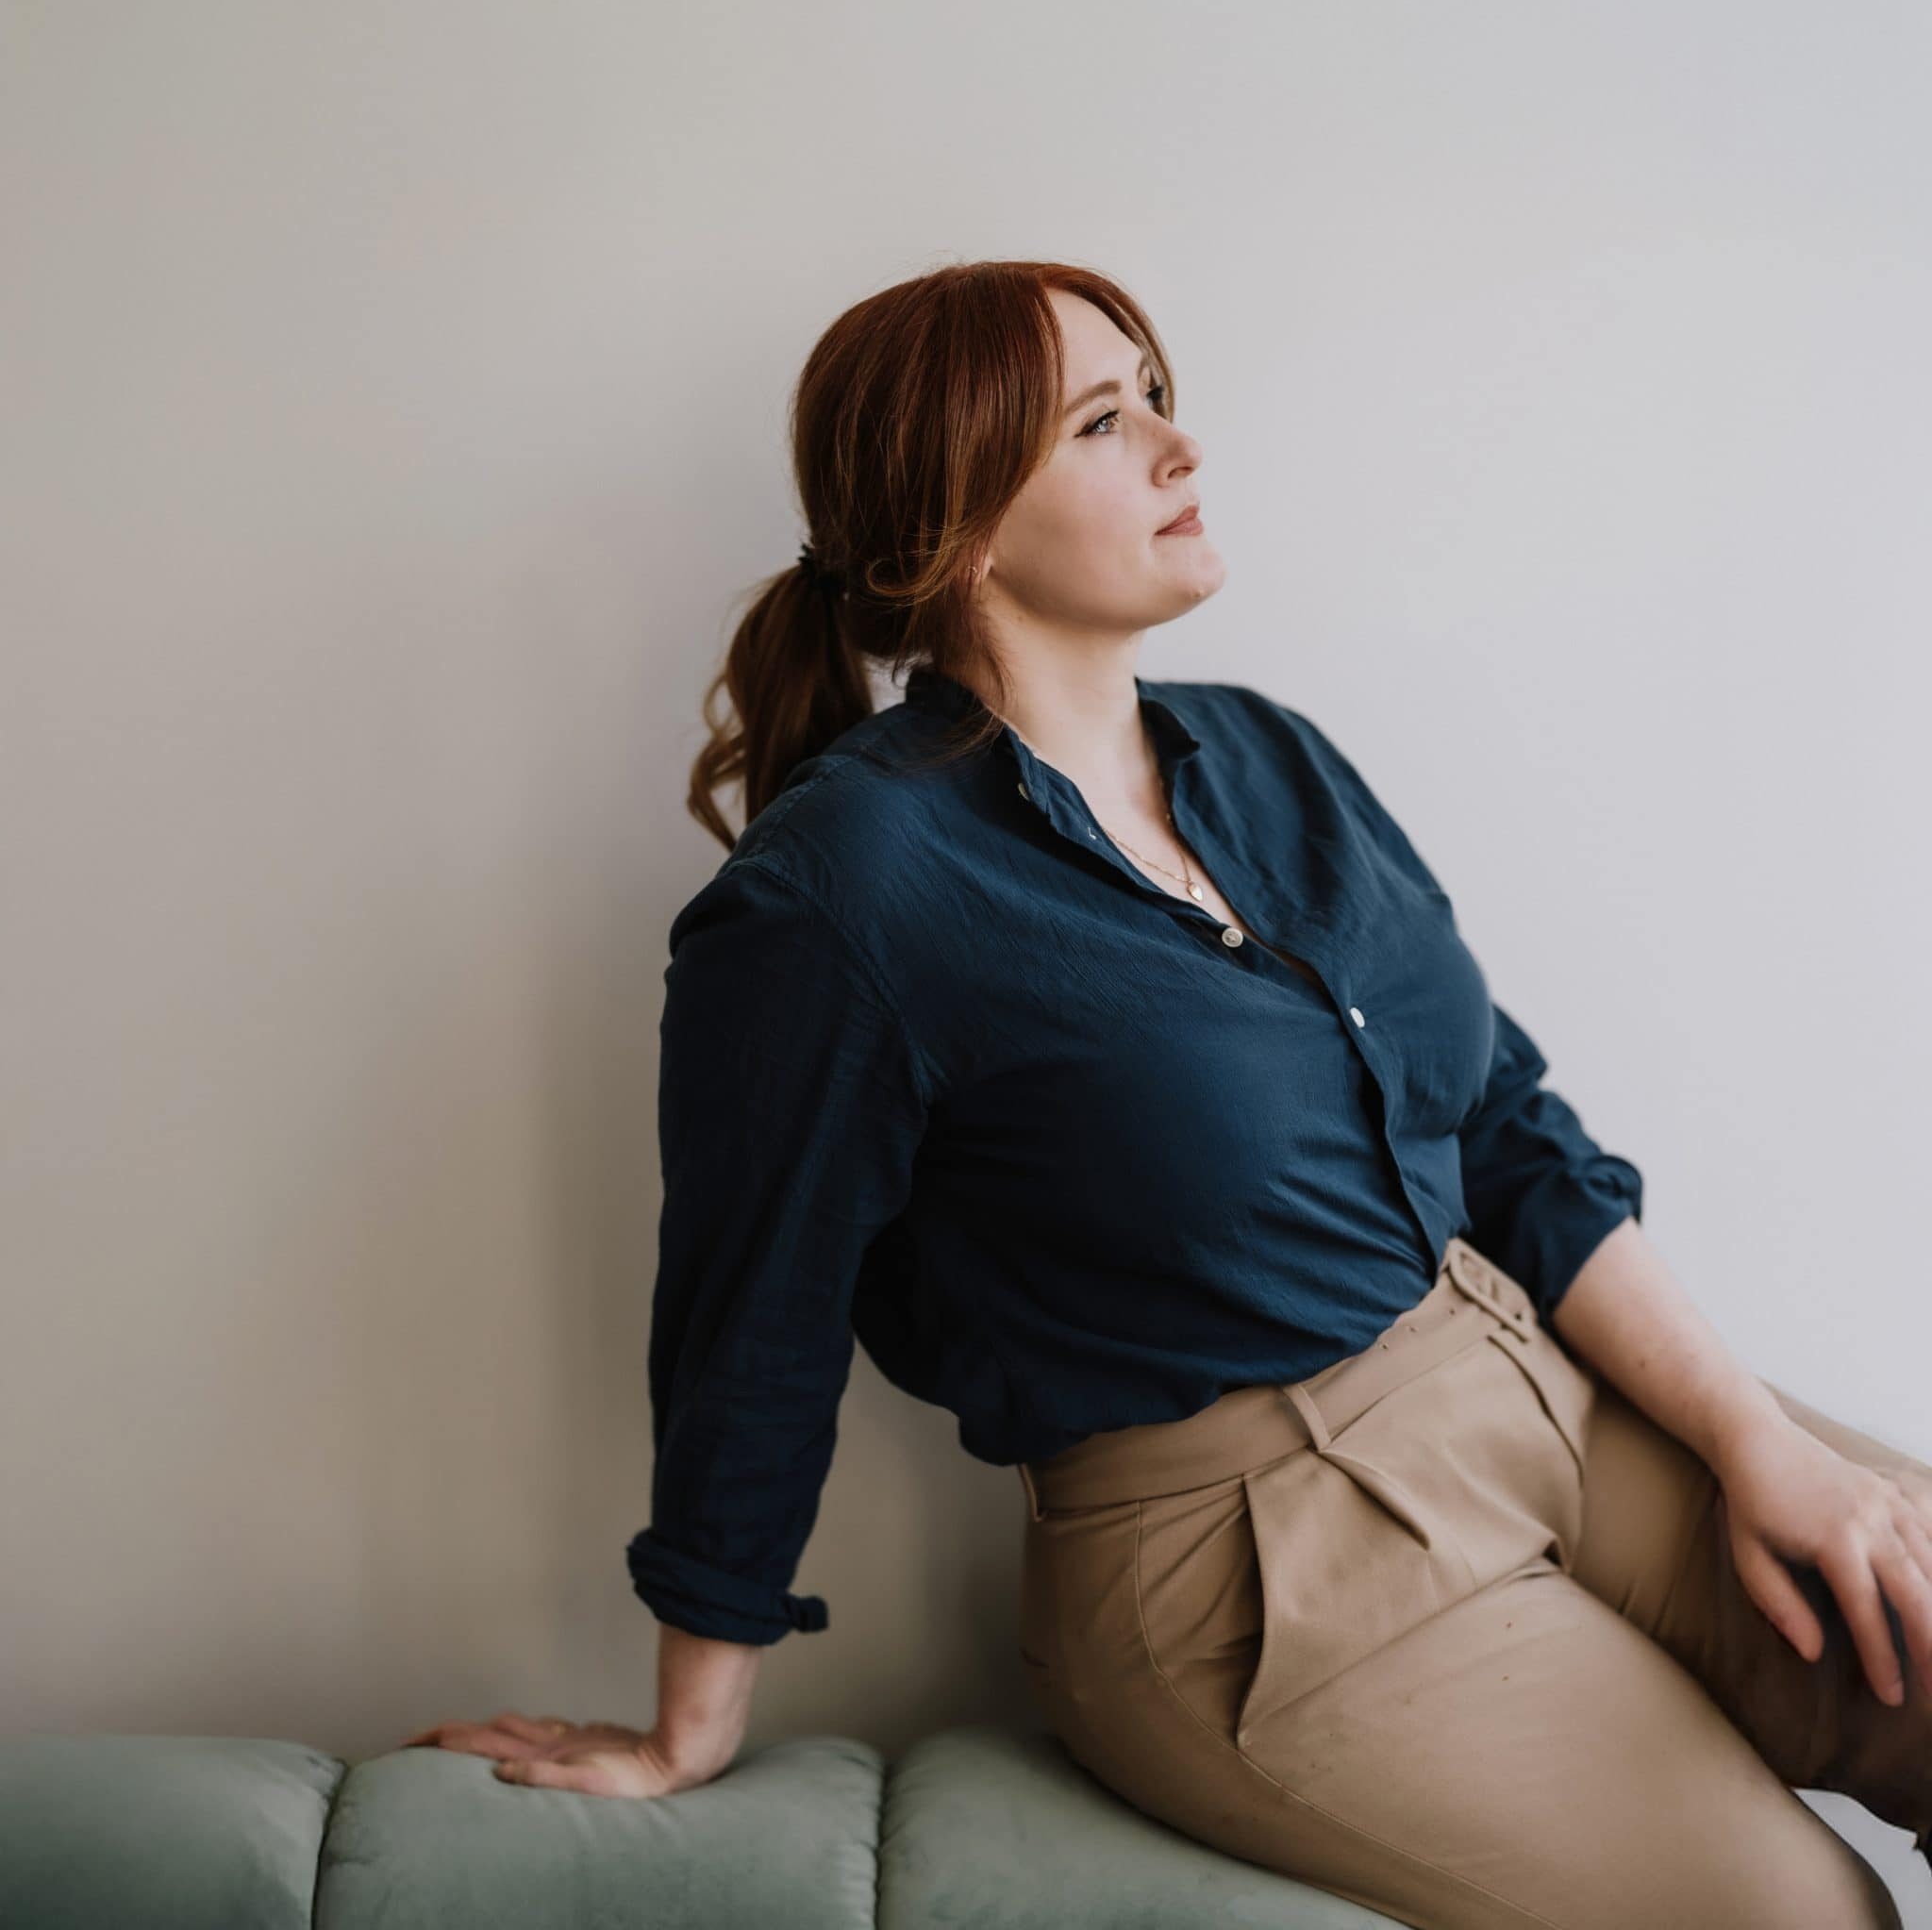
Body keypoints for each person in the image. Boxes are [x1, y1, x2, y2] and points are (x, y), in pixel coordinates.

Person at [402, 260, 1932, 1926]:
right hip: (1249, 1574)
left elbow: (1508, 1135)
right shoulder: (841, 891)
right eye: (1105, 420)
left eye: (1157, 392)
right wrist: (688, 1724)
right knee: (1806, 1919)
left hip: (1538, 1381)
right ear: (965, 529)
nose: (1180, 445)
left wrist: (1754, 1440)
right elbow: (752, 1314)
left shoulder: (1271, 756)